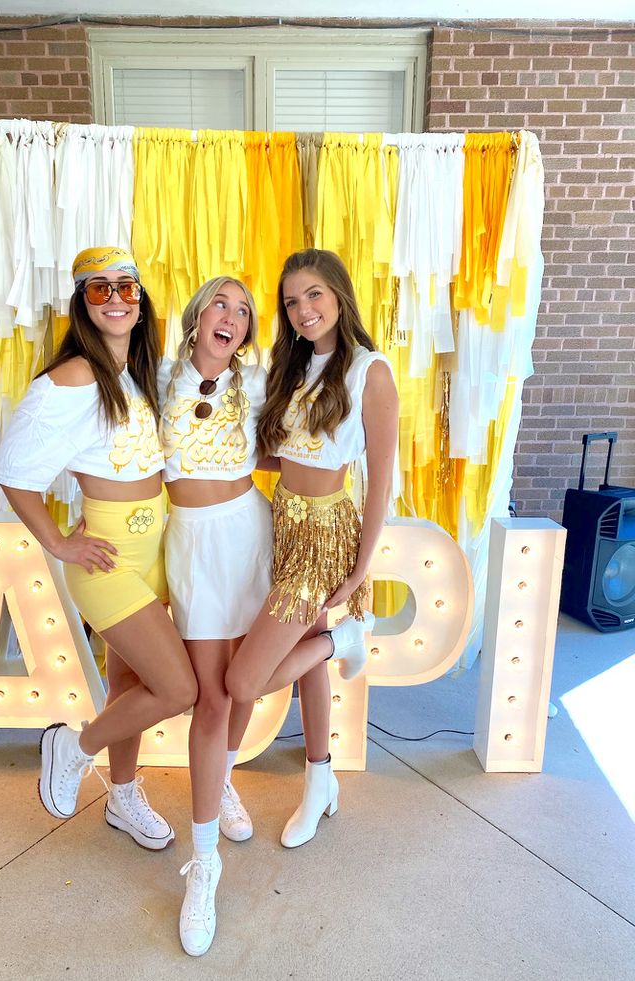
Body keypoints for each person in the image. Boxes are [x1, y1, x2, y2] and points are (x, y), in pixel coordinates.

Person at [0, 246, 197, 851]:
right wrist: (57, 542)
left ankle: (124, 795)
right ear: (83, 304)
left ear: (141, 300)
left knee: (131, 685)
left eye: (125, 287)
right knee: (178, 689)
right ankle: (73, 747)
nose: (115, 299)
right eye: (99, 289)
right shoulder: (75, 376)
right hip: (107, 556)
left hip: (155, 549)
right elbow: (13, 469)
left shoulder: (141, 370)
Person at [225, 248, 398, 848]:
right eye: (292, 301)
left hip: (326, 534)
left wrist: (357, 571)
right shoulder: (292, 367)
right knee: (304, 670)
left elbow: (380, 481)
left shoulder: (369, 372)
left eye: (314, 295)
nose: (303, 310)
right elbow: (287, 453)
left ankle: (340, 638)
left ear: (340, 295)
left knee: (245, 679)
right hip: (284, 523)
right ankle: (319, 779)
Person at [158, 277, 272, 956]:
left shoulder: (256, 384)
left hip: (248, 531)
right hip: (192, 540)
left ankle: (221, 779)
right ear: (198, 314)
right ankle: (204, 868)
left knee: (245, 684)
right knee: (208, 696)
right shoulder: (155, 376)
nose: (230, 316)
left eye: (244, 310)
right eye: (220, 303)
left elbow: (304, 440)